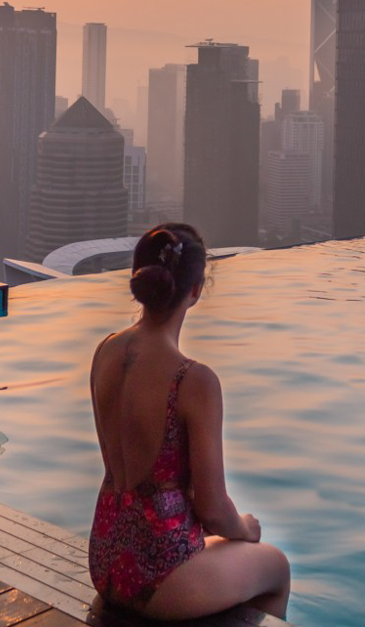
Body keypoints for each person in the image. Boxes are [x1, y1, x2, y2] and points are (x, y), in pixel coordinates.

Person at [88, 223, 290, 621]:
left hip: (105, 561)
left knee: (220, 547)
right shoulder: (193, 381)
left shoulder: (105, 351)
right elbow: (213, 508)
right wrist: (246, 529)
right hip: (160, 578)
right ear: (195, 291)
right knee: (276, 566)